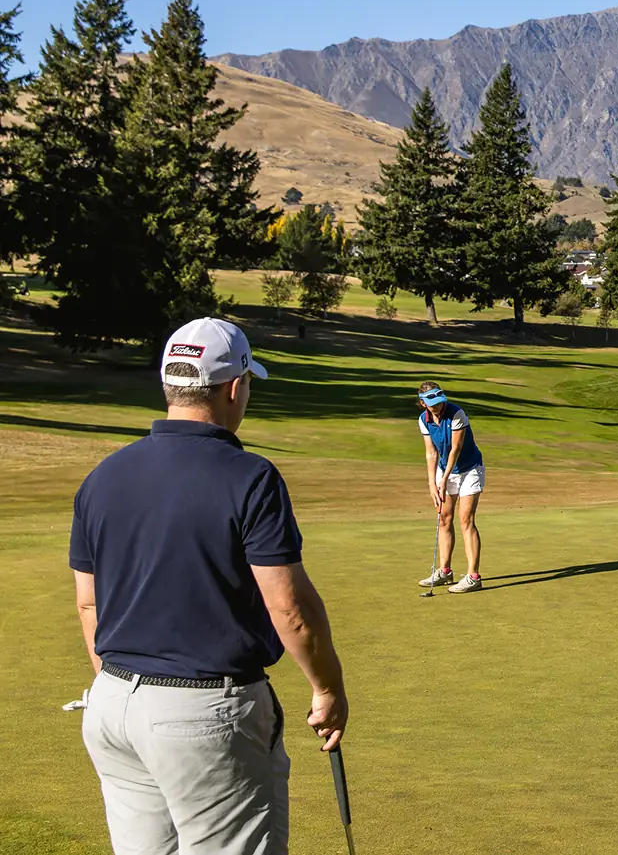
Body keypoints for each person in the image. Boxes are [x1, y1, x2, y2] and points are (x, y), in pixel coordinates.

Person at [69, 317, 348, 855]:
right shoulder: (250, 476)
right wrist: (328, 689)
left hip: (112, 706)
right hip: (205, 713)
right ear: (234, 387)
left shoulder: (103, 475)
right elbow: (289, 609)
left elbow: (89, 602)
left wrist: (127, 687)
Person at [416, 381, 485, 593]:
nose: (437, 407)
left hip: (469, 469)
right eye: (432, 403)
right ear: (423, 403)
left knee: (466, 519)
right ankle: (445, 571)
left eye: (439, 402)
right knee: (445, 518)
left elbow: (456, 449)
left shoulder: (457, 414)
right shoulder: (423, 420)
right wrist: (432, 483)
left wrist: (443, 479)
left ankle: (473, 576)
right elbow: (431, 453)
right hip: (445, 471)